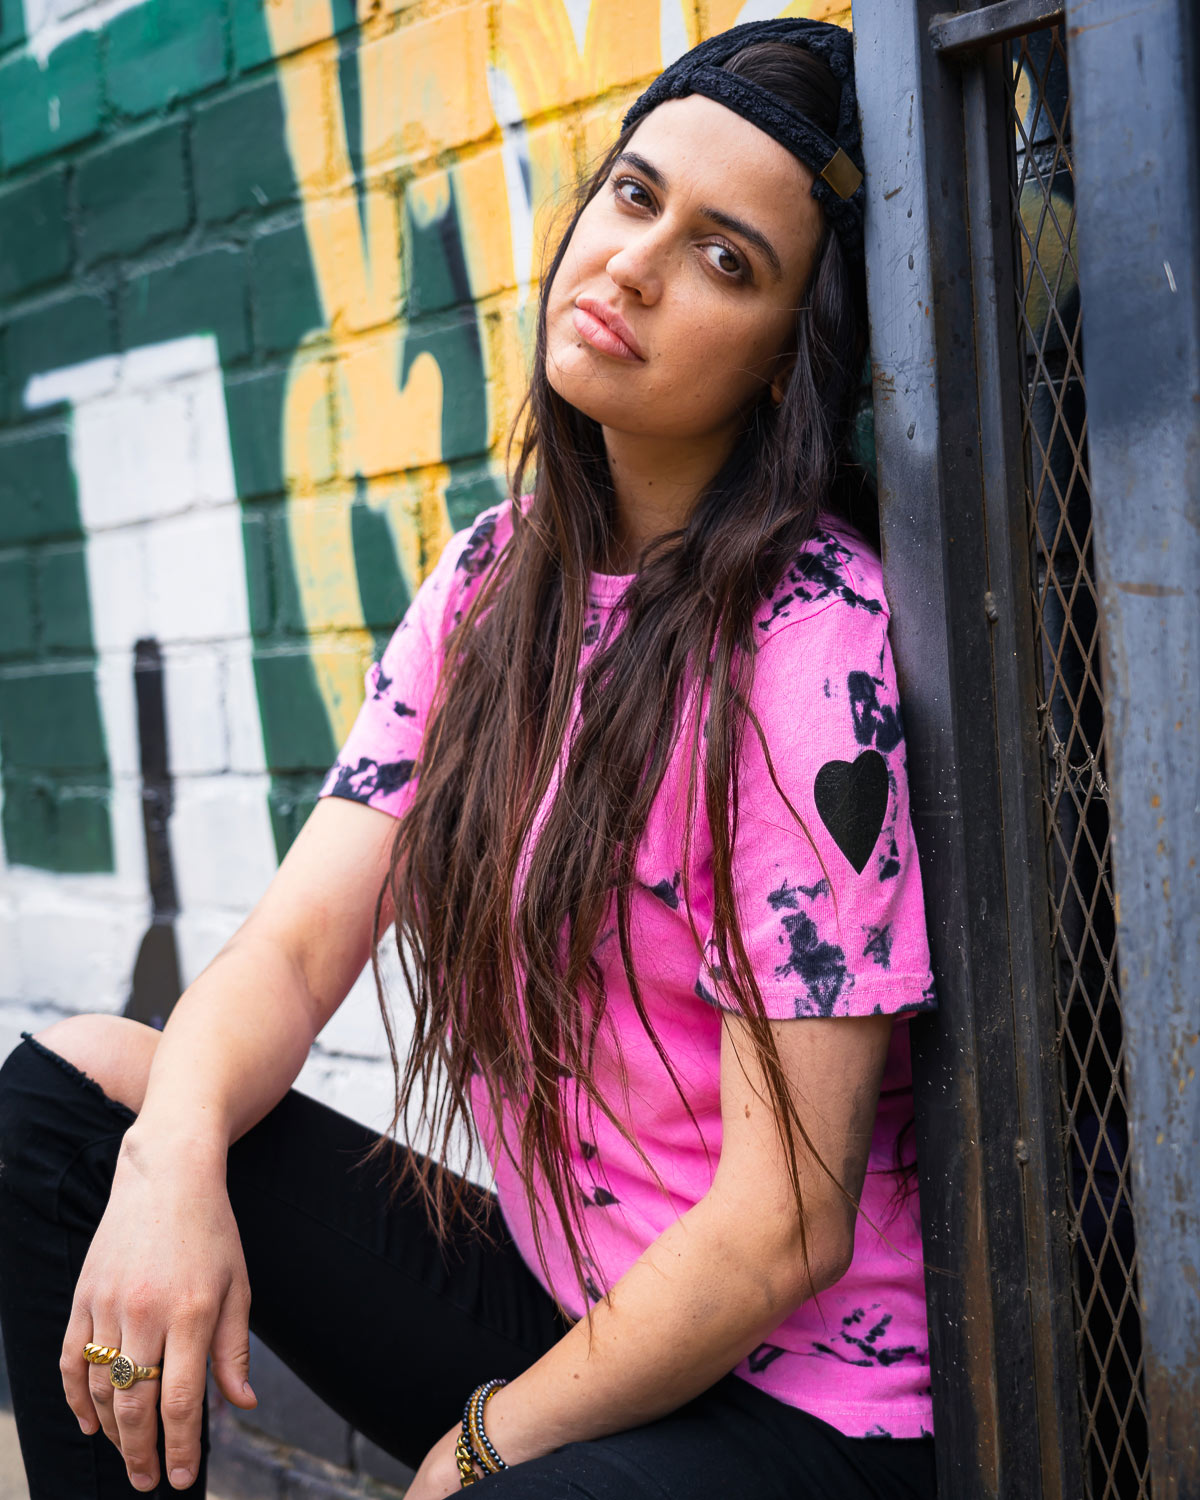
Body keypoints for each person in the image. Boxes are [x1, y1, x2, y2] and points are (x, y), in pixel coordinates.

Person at [0, 18, 939, 1500]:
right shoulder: (494, 589)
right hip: (573, 1303)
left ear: (784, 366)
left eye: (725, 258)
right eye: (633, 196)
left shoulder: (807, 644)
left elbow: (784, 1228)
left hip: (803, 1399)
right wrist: (168, 1162)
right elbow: (300, 952)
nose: (631, 263)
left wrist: (483, 1446)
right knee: (77, 1108)